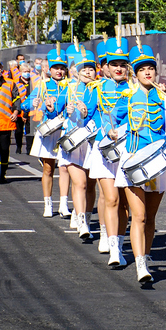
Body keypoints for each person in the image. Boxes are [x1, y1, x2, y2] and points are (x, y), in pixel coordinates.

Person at [109, 39, 166, 283]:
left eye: (150, 67)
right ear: (135, 73)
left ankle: (146, 256)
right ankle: (141, 265)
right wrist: (112, 132)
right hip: (134, 160)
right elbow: (111, 120)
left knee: (150, 218)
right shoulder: (127, 96)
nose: (147, 72)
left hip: (159, 162)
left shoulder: (164, 97)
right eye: (141, 69)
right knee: (138, 216)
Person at [85, 32, 130, 267]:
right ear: (106, 66)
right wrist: (78, 111)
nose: (119, 68)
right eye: (114, 64)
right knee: (110, 198)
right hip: (104, 150)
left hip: (128, 150)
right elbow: (85, 118)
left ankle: (119, 245)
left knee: (123, 202)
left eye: (123, 64)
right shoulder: (95, 88)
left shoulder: (135, 90)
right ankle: (112, 247)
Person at [55, 45, 99, 239]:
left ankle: (86, 218)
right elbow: (54, 111)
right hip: (73, 142)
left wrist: (88, 116)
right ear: (77, 72)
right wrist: (66, 111)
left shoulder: (101, 90)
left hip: (92, 141)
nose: (88, 72)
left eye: (91, 68)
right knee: (79, 183)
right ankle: (82, 223)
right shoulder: (69, 88)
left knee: (90, 186)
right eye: (84, 69)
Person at [25, 43, 71, 218]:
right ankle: (48, 203)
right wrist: (36, 104)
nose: (59, 71)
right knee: (48, 169)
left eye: (62, 68)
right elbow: (26, 104)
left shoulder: (71, 87)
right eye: (56, 68)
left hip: (65, 131)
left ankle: (64, 204)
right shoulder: (42, 86)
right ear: (49, 69)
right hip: (48, 132)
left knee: (65, 168)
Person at [14, 62, 32, 154]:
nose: (27, 73)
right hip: (19, 110)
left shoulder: (32, 83)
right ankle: (18, 147)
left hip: (29, 110)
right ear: (20, 72)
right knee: (18, 130)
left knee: (29, 131)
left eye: (28, 71)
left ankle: (29, 149)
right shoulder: (16, 83)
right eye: (25, 71)